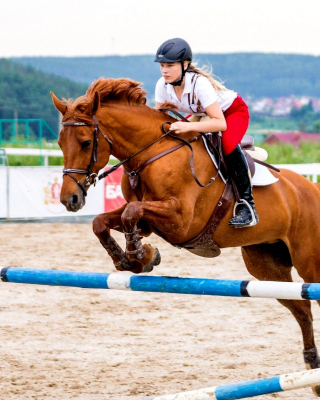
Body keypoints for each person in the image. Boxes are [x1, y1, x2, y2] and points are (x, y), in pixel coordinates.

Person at [154, 37, 259, 228]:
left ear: (185, 64)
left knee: (226, 146)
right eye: (162, 66)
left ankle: (247, 206)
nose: (164, 71)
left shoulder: (199, 84)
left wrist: (186, 126)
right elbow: (159, 118)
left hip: (231, 113)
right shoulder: (162, 85)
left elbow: (219, 123)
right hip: (202, 115)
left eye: (170, 65)